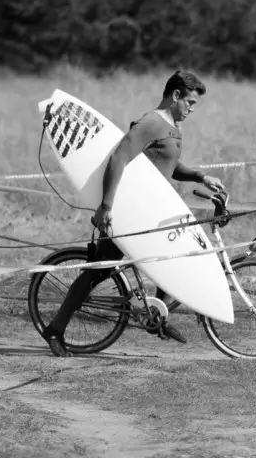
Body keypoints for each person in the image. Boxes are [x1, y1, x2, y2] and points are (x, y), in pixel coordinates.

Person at [42, 70, 226, 357]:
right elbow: (119, 157)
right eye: (189, 102)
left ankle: (159, 320)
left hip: (150, 213)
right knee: (99, 271)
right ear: (175, 95)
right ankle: (55, 328)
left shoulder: (171, 127)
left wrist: (201, 177)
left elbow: (170, 165)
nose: (192, 109)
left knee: (174, 258)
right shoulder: (151, 123)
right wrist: (107, 206)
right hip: (129, 212)